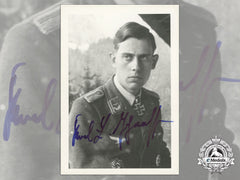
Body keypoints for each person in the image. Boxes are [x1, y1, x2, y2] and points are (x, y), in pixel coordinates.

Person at [69, 22, 171, 168]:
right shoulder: (87, 108)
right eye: (128, 57)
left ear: (153, 62)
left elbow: (160, 155)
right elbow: (80, 172)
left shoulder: (151, 102)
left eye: (143, 58)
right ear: (113, 60)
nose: (136, 66)